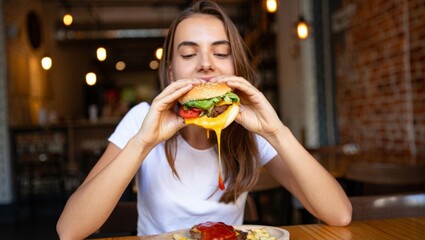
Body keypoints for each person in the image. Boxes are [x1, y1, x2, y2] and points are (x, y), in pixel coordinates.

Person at [57, 1, 352, 239]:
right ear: (171, 73)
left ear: (234, 66)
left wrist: (277, 132)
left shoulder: (248, 128)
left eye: (221, 52)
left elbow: (339, 214)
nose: (206, 63)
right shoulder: (142, 118)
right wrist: (142, 143)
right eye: (188, 53)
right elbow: (69, 230)